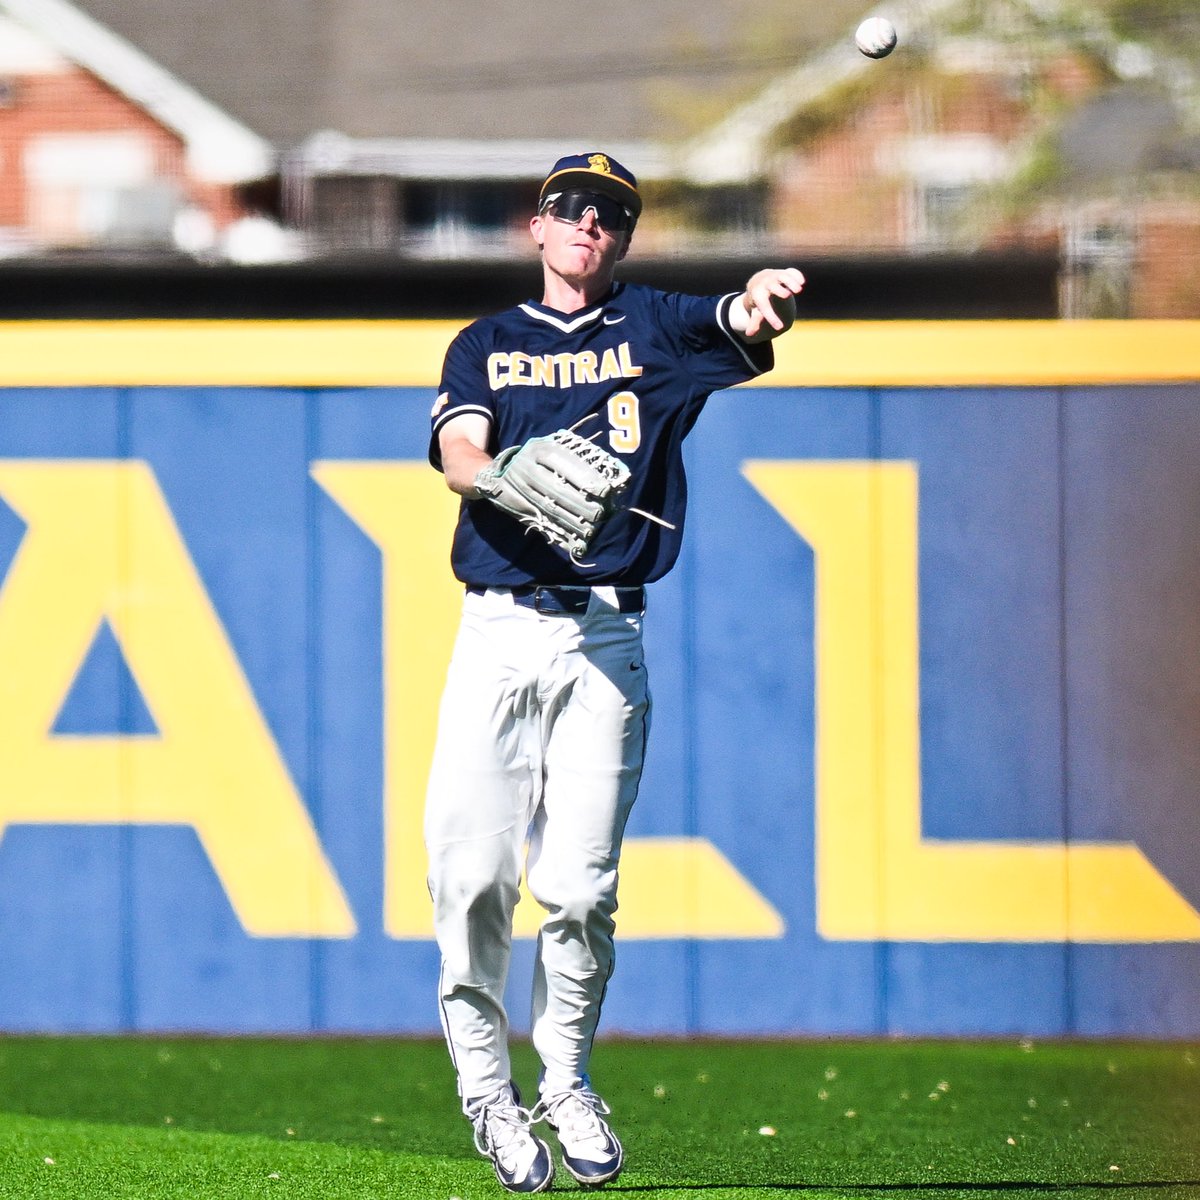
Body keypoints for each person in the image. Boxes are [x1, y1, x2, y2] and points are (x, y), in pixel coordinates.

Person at [425, 151, 804, 1194]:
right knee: (469, 885)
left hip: (604, 636)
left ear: (623, 240)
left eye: (611, 213)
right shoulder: (487, 343)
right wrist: (501, 471)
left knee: (581, 888)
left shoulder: (653, 328)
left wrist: (764, 302)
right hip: (497, 633)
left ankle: (567, 1080)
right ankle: (490, 1105)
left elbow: (735, 319)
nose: (588, 221)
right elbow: (458, 451)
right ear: (536, 227)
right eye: (569, 206)